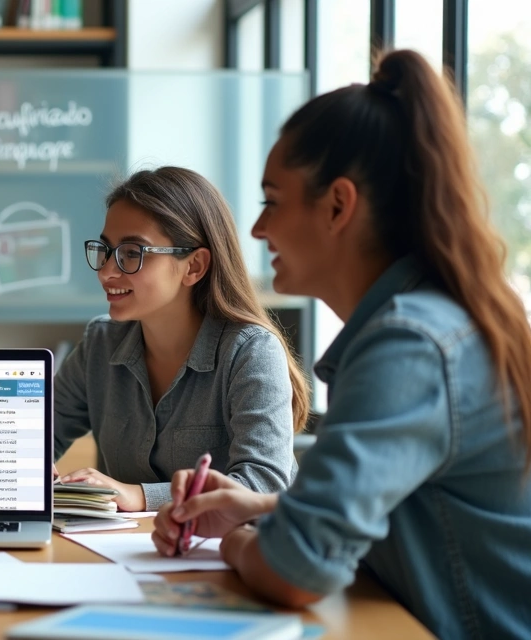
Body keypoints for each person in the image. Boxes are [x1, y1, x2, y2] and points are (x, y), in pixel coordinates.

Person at [151, 50, 531, 639]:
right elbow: (404, 509)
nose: (256, 230)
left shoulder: (409, 346)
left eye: (272, 201)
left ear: (338, 205)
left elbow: (295, 569)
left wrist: (239, 541)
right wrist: (266, 510)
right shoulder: (432, 324)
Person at [54, 166, 308, 511]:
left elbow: (262, 485)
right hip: (125, 554)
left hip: (223, 556)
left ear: (194, 267)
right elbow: (38, 435)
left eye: (132, 253)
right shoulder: (101, 341)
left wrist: (141, 496)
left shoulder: (250, 352)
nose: (106, 271)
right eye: (106, 249)